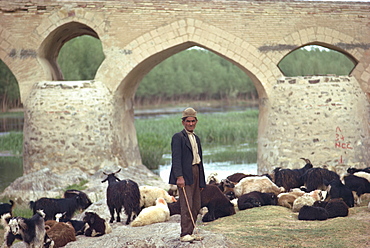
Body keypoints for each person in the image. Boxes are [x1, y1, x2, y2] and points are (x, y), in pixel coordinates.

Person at [169, 107, 206, 242]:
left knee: (196, 205)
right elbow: (176, 159)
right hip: (185, 174)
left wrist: (201, 181)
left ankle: (191, 231)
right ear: (183, 122)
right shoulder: (178, 137)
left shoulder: (196, 138)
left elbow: (200, 161)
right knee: (187, 204)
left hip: (196, 172)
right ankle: (184, 233)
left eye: (193, 121)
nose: (190, 123)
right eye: (188, 121)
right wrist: (179, 177)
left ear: (196, 121)